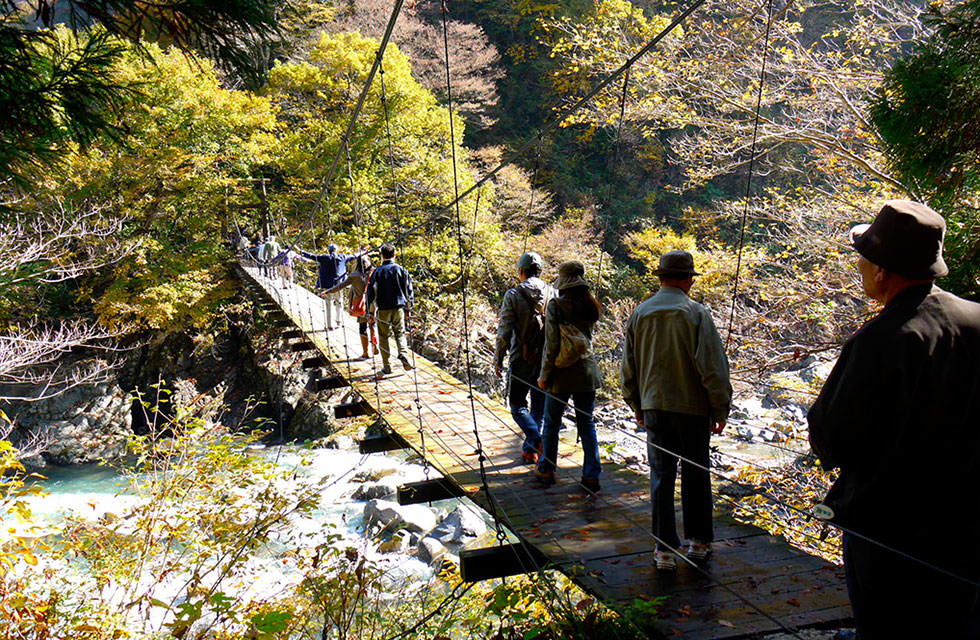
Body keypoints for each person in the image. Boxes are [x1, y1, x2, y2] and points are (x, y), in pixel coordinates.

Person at [807, 200, 980, 640]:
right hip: (967, 527)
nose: (859, 264)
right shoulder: (976, 320)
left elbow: (831, 437)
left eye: (863, 255)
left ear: (882, 271)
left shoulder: (882, 339)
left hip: (889, 531)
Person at [620, 250, 731, 572]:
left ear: (661, 278)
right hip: (692, 408)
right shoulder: (696, 313)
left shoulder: (640, 313)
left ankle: (664, 550)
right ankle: (698, 542)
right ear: (686, 280)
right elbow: (712, 367)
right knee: (696, 472)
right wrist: (720, 407)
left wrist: (636, 404)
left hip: (654, 405)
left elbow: (629, 367)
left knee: (661, 475)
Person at [535, 260, 602, 492]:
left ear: (563, 282)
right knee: (587, 422)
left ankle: (547, 469)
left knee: (552, 423)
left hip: (562, 373)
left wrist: (544, 375)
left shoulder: (555, 306)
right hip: (587, 371)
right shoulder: (591, 305)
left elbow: (551, 345)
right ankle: (592, 475)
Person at [494, 252, 552, 464]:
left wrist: (498, 358)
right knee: (538, 407)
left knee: (517, 405)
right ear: (540, 271)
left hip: (520, 359)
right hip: (545, 360)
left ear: (520, 271)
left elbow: (504, 331)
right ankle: (531, 449)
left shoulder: (513, 295)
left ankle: (536, 439)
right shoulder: (552, 293)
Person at [366, 243, 414, 376]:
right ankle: (403, 353)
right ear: (394, 255)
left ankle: (387, 366)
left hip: (383, 309)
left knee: (383, 337)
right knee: (400, 333)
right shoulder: (401, 270)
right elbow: (409, 289)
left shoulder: (377, 272)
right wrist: (409, 307)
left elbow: (370, 293)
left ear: (382, 256)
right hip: (398, 307)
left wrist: (369, 310)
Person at [325, 252, 376, 359]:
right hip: (373, 304)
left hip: (361, 306)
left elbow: (340, 286)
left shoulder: (354, 276)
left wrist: (327, 292)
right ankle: (375, 345)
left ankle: (366, 353)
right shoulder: (374, 273)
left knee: (363, 328)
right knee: (373, 325)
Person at [298, 243, 353, 330]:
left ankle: (329, 325)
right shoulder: (342, 257)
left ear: (329, 250)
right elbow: (354, 256)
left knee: (328, 303)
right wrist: (363, 251)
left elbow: (312, 256)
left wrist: (301, 251)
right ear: (336, 250)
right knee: (339, 302)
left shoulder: (324, 258)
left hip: (327, 286)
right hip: (338, 285)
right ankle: (339, 321)